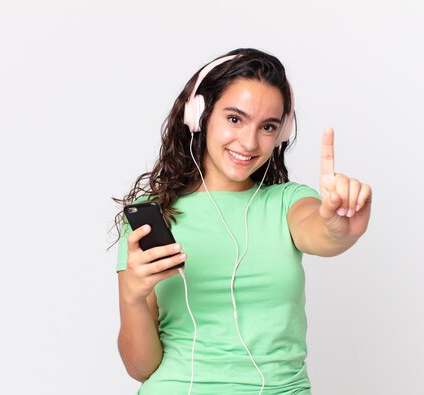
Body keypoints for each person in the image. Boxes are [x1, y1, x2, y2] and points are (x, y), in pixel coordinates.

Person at [111, 48, 372, 395]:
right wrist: (132, 297)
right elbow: (141, 367)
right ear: (199, 115)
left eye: (267, 127)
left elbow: (320, 231)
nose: (249, 142)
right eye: (235, 119)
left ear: (281, 134)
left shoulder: (287, 202)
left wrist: (339, 228)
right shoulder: (153, 217)